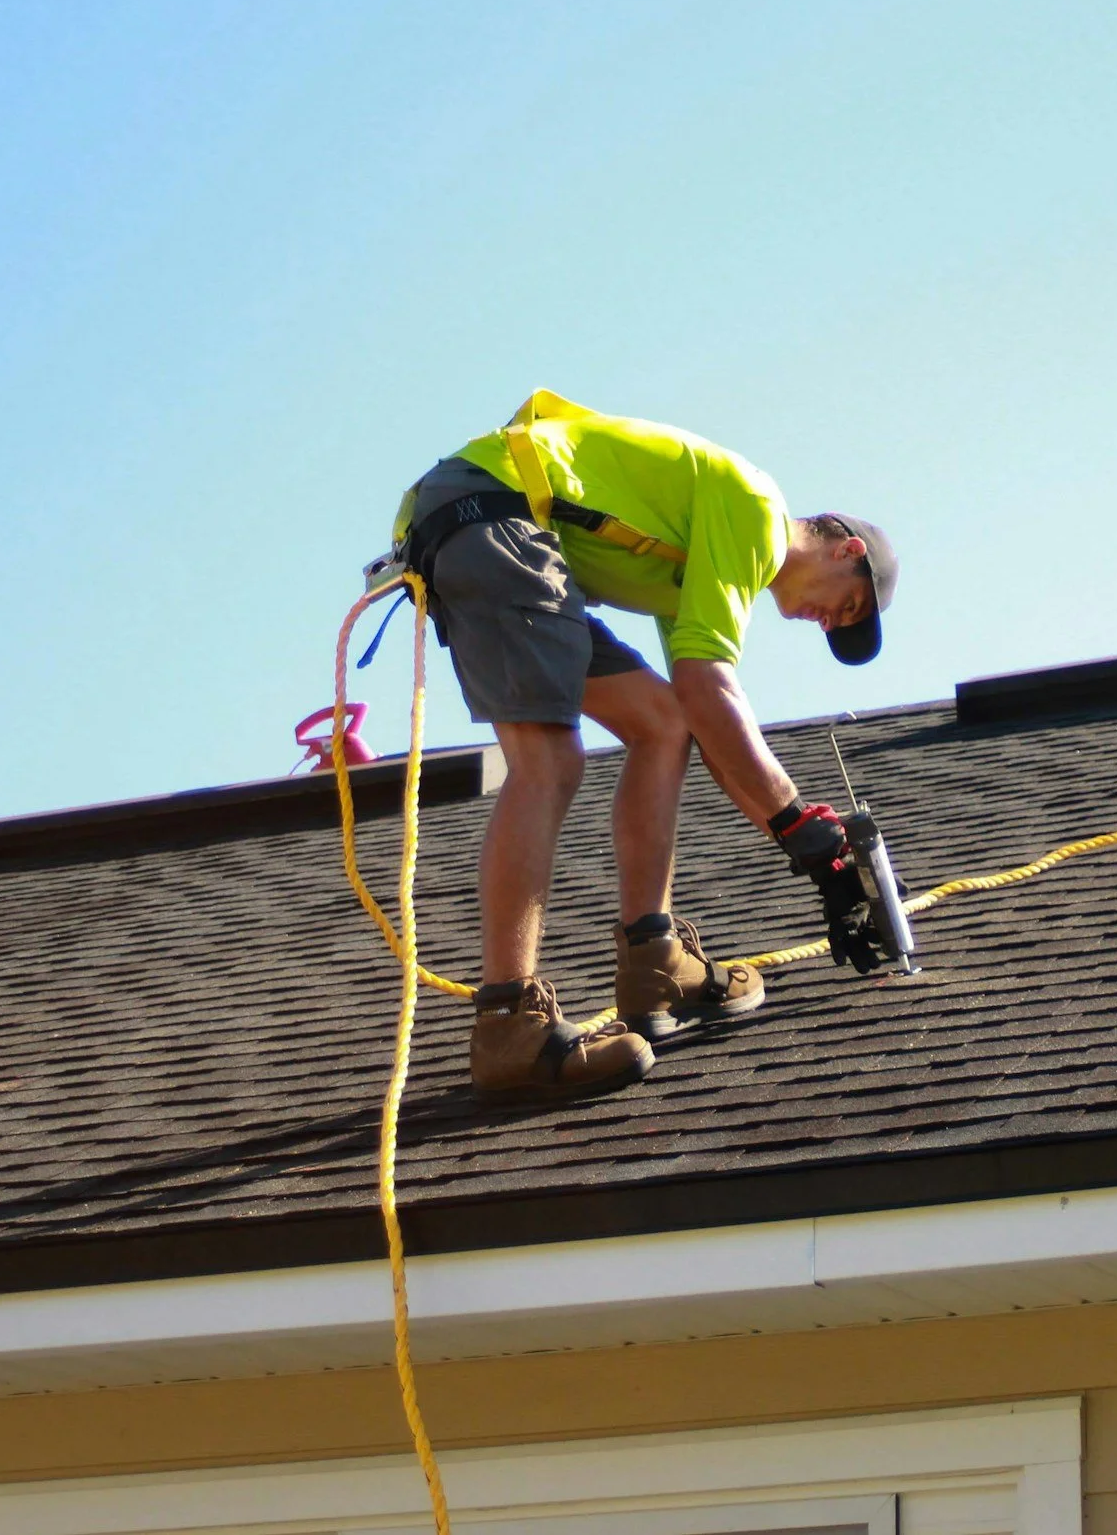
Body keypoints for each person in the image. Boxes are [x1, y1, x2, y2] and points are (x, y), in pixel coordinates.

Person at [384, 389, 900, 1104]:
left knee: (662, 723)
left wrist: (802, 839)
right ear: (848, 548)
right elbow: (715, 688)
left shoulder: (700, 563)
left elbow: (700, 708)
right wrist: (798, 825)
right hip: (491, 517)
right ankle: (507, 1025)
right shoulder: (755, 509)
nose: (826, 620)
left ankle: (653, 960)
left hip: (497, 530)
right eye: (845, 604)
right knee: (549, 759)